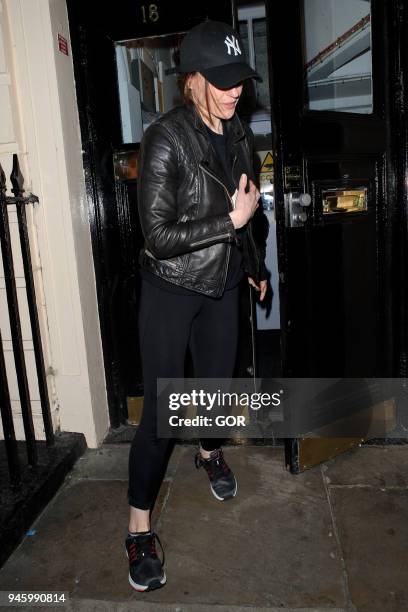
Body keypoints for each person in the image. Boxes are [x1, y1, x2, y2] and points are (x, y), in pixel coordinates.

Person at [125, 20, 268, 592]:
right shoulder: (165, 138)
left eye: (242, 80)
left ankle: (209, 451)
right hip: (171, 286)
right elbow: (157, 236)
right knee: (160, 419)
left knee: (215, 386)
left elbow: (249, 206)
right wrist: (228, 222)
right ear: (195, 80)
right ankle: (138, 527)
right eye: (225, 80)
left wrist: (253, 267)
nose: (237, 90)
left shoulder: (238, 134)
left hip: (224, 282)